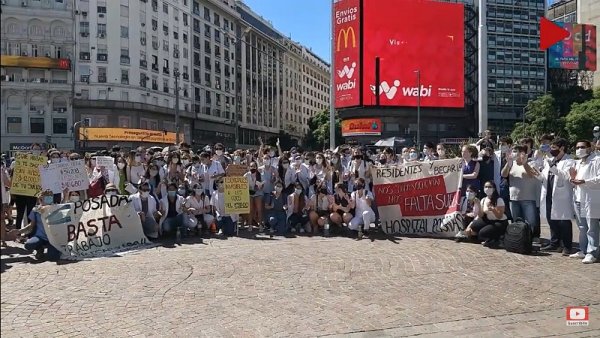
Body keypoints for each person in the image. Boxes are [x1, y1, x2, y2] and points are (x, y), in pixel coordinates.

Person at [523, 138, 575, 255]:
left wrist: (552, 166)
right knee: (551, 220)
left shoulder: (569, 161)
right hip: (548, 194)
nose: (551, 150)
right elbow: (543, 178)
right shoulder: (550, 160)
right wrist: (537, 172)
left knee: (564, 221)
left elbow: (565, 176)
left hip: (562, 196)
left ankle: (567, 246)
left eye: (554, 148)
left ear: (562, 148)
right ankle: (554, 243)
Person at [569, 140, 599, 264]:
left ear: (589, 148)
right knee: (582, 227)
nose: (579, 149)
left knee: (592, 227)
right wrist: (573, 179)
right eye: (577, 147)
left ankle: (592, 252)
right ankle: (583, 249)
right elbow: (574, 178)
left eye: (582, 147)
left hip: (592, 198)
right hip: (578, 197)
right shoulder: (578, 162)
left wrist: (584, 181)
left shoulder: (597, 160)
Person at [11, 190, 61, 261]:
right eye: (47, 196)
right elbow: (31, 225)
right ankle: (39, 248)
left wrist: (66, 195)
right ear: (41, 198)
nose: (49, 198)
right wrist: (19, 231)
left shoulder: (55, 208)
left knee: (53, 257)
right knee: (28, 245)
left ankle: (54, 248)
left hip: (53, 238)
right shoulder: (36, 210)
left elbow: (65, 209)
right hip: (40, 237)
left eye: (50, 196)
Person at [502, 145, 538, 237]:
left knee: (531, 222)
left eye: (515, 151)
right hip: (514, 198)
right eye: (513, 151)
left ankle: (531, 238)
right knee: (516, 221)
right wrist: (508, 163)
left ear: (522, 153)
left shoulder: (531, 162)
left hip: (528, 198)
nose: (513, 153)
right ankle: (519, 239)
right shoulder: (512, 163)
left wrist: (524, 163)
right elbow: (504, 174)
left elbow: (532, 174)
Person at [464, 182, 508, 248]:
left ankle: (498, 239)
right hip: (488, 220)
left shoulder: (499, 200)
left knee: (482, 233)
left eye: (490, 187)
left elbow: (499, 216)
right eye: (486, 187)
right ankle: (487, 238)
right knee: (474, 227)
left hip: (499, 221)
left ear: (494, 189)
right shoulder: (484, 199)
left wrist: (493, 209)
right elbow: (481, 215)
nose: (487, 188)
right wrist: (478, 204)